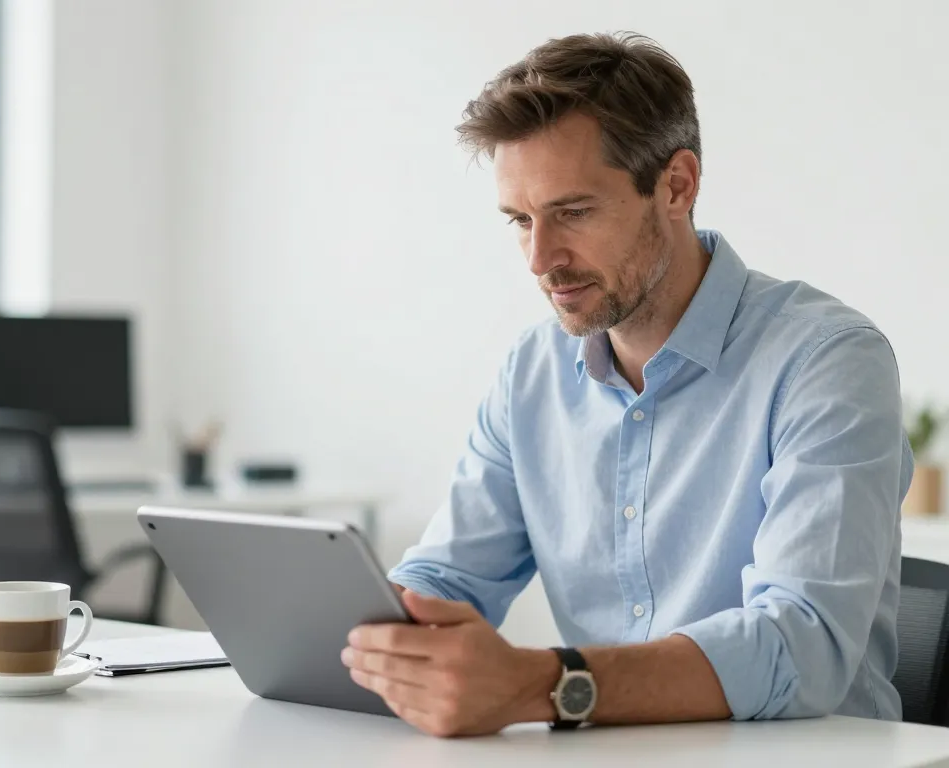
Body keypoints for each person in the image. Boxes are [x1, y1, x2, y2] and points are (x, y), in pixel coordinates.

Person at [340, 31, 912, 737]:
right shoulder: (533, 373)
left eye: (573, 212)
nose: (540, 259)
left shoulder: (825, 360)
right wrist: (365, 635)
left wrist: (543, 685)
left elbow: (803, 644)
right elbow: (448, 581)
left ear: (676, 185)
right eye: (521, 221)